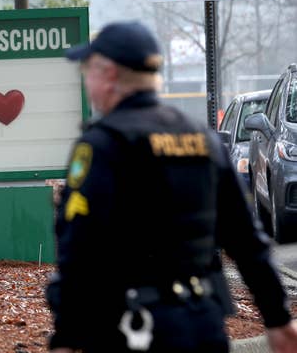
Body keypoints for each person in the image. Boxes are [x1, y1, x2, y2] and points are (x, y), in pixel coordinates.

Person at [46, 21, 297, 353]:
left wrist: (66, 335)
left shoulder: (104, 146)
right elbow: (246, 241)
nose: (86, 80)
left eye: (88, 70)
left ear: (108, 75)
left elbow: (79, 248)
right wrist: (277, 319)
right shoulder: (202, 139)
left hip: (133, 329)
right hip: (203, 323)